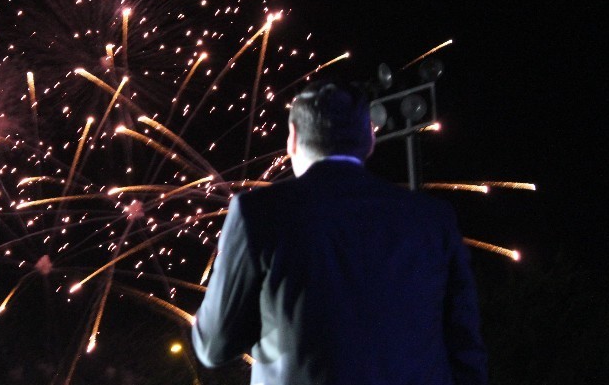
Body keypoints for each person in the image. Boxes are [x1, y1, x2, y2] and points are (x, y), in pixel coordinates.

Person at [191, 80, 487, 384]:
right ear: (369, 138)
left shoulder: (258, 212)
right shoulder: (432, 218)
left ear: (292, 138)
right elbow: (465, 348)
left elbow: (214, 345)